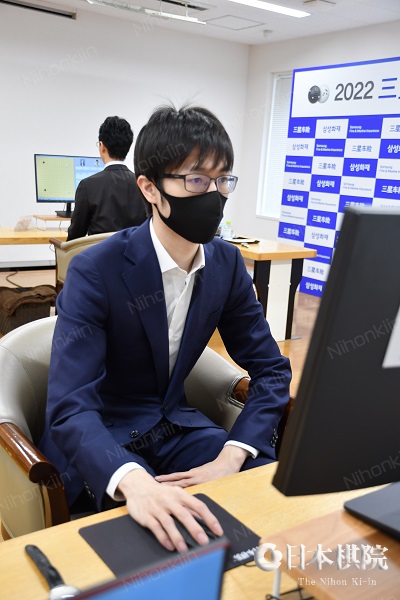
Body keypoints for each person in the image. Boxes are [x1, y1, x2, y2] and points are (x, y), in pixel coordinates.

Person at [40, 104, 291, 554]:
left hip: (178, 430)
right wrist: (133, 481)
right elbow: (69, 407)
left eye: (223, 180)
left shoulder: (226, 264)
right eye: (196, 180)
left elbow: (271, 371)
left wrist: (232, 454)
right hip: (105, 440)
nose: (213, 194)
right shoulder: (95, 270)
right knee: (148, 551)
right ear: (150, 188)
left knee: (265, 507)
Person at [67, 116, 146, 240]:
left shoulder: (87, 186)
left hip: (100, 252)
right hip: (134, 252)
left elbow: (76, 236)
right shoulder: (143, 185)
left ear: (102, 146)